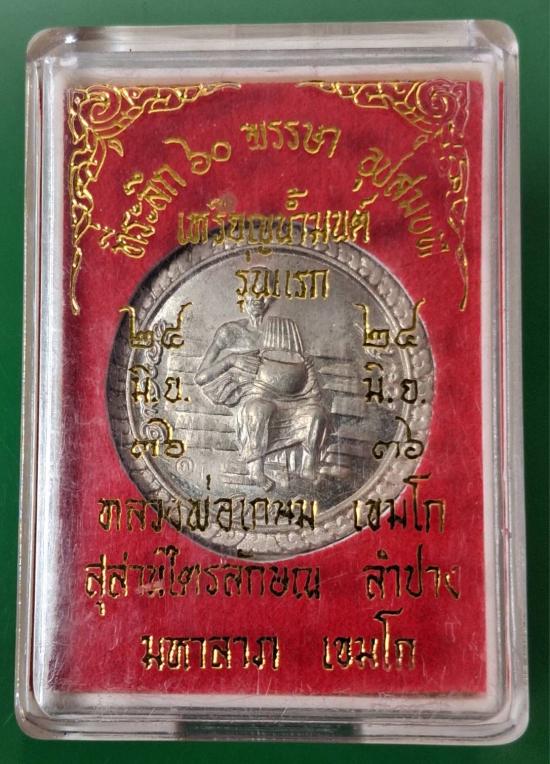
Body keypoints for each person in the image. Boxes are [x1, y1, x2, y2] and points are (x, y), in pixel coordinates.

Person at [195, 283, 329, 490]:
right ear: (242, 294)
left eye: (264, 293)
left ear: (271, 298)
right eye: (253, 292)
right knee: (259, 409)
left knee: (316, 414)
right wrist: (231, 360)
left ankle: (308, 467)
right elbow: (201, 377)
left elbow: (296, 359)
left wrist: (305, 366)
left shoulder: (284, 329)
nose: (258, 298)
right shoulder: (230, 332)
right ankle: (255, 470)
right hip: (255, 395)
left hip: (294, 398)